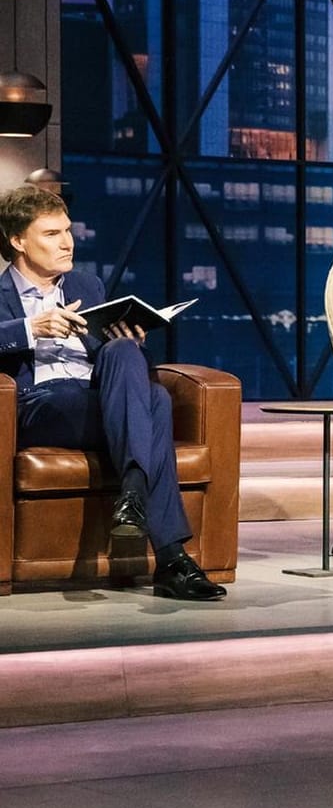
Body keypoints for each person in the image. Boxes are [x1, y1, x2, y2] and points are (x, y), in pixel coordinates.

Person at [0, 184, 226, 600]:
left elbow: (114, 359)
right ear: (17, 241)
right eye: (51, 234)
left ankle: (135, 499)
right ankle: (172, 558)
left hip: (97, 398)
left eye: (67, 231)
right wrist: (33, 328)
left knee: (131, 360)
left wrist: (130, 337)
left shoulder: (87, 283)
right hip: (41, 404)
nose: (67, 242)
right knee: (155, 404)